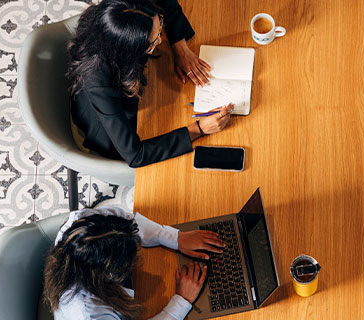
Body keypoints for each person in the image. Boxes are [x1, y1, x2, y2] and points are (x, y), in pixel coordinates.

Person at [68, 0, 232, 168]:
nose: (160, 40)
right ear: (130, 50)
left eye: (159, 25)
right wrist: (198, 129)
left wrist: (179, 46)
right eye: (152, 42)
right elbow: (136, 155)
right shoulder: (98, 81)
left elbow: (167, 4)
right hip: (110, 127)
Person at [43, 207, 226, 319]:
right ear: (109, 274)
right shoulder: (90, 314)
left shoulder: (82, 221)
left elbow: (127, 219)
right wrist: (182, 300)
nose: (139, 246)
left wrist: (175, 237)